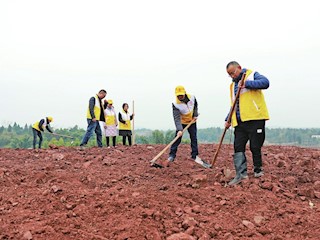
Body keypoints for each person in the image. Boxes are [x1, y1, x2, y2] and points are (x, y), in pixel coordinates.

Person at [225, 61, 270, 185]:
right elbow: (234, 104)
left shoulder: (252, 75)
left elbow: (266, 83)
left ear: (239, 68)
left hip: (255, 118)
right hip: (240, 121)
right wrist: (228, 119)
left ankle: (258, 170)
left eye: (233, 73)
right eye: (229, 75)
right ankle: (241, 174)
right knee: (238, 146)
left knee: (255, 146)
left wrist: (247, 84)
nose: (232, 76)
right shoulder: (232, 86)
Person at [163, 86, 211, 168]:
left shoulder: (192, 97)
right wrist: (179, 129)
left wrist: (195, 114)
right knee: (177, 139)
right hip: (181, 122)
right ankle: (171, 156)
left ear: (184, 93)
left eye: (181, 95)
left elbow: (195, 105)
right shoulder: (175, 104)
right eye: (178, 95)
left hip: (191, 121)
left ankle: (194, 155)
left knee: (194, 138)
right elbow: (176, 118)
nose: (180, 97)